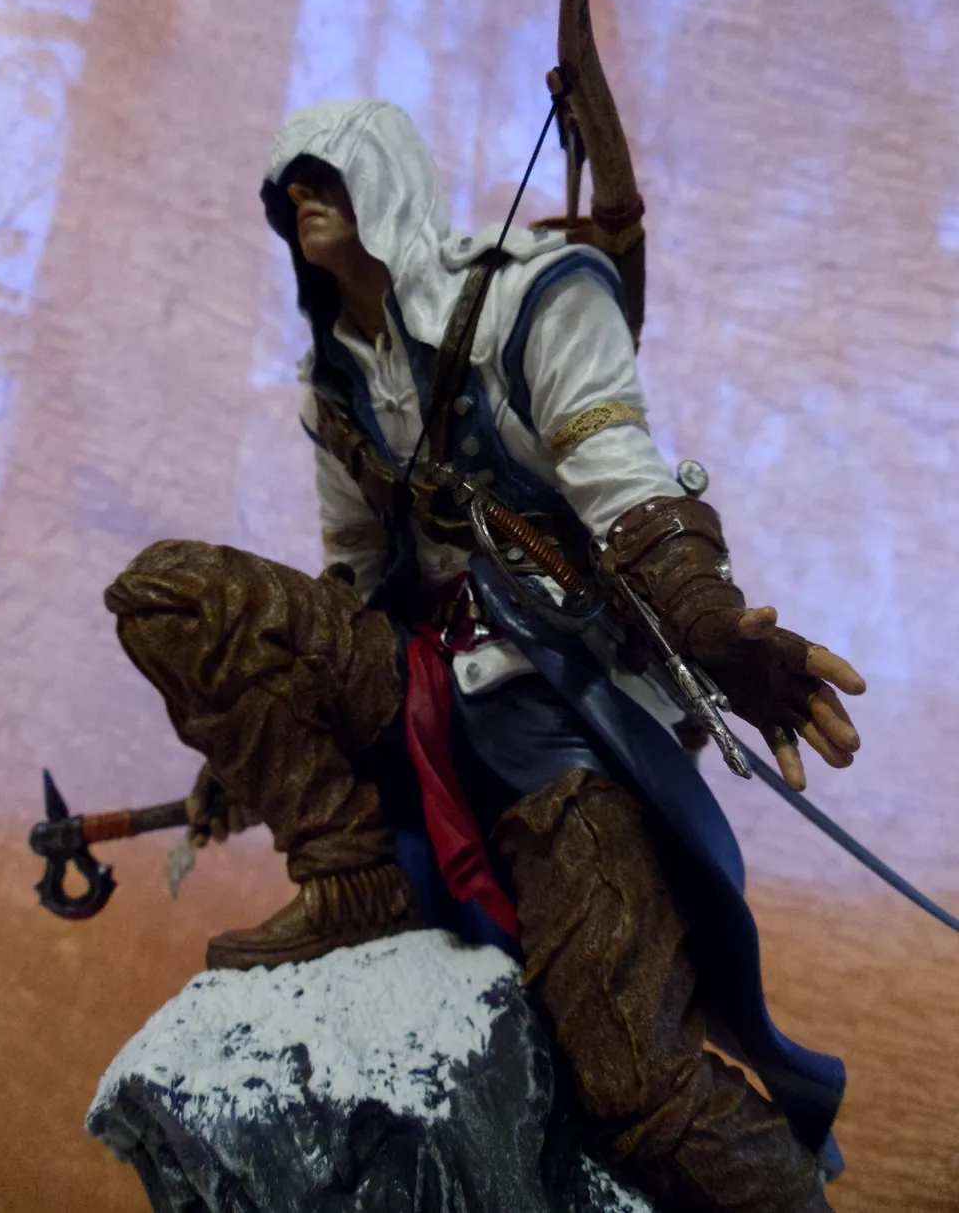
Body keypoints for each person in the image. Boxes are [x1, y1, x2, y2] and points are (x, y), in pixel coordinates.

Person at [106, 98, 865, 1213]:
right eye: (288, 185)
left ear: (383, 179)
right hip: (412, 683)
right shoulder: (333, 380)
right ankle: (354, 880)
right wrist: (264, 742)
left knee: (632, 1080)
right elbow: (355, 571)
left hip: (560, 704)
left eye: (324, 172)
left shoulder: (535, 296)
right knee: (173, 597)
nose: (300, 194)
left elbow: (624, 482)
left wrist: (711, 630)